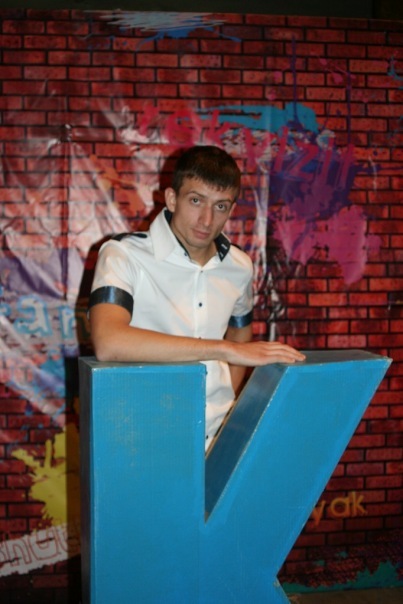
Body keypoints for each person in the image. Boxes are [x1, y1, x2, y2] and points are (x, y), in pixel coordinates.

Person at [89, 145, 305, 451]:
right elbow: (108, 342)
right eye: (195, 200)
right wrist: (224, 350)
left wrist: (227, 398)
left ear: (231, 210)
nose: (206, 219)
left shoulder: (239, 265)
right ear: (172, 198)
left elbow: (240, 331)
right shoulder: (124, 255)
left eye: (220, 206)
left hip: (219, 433)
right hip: (144, 434)